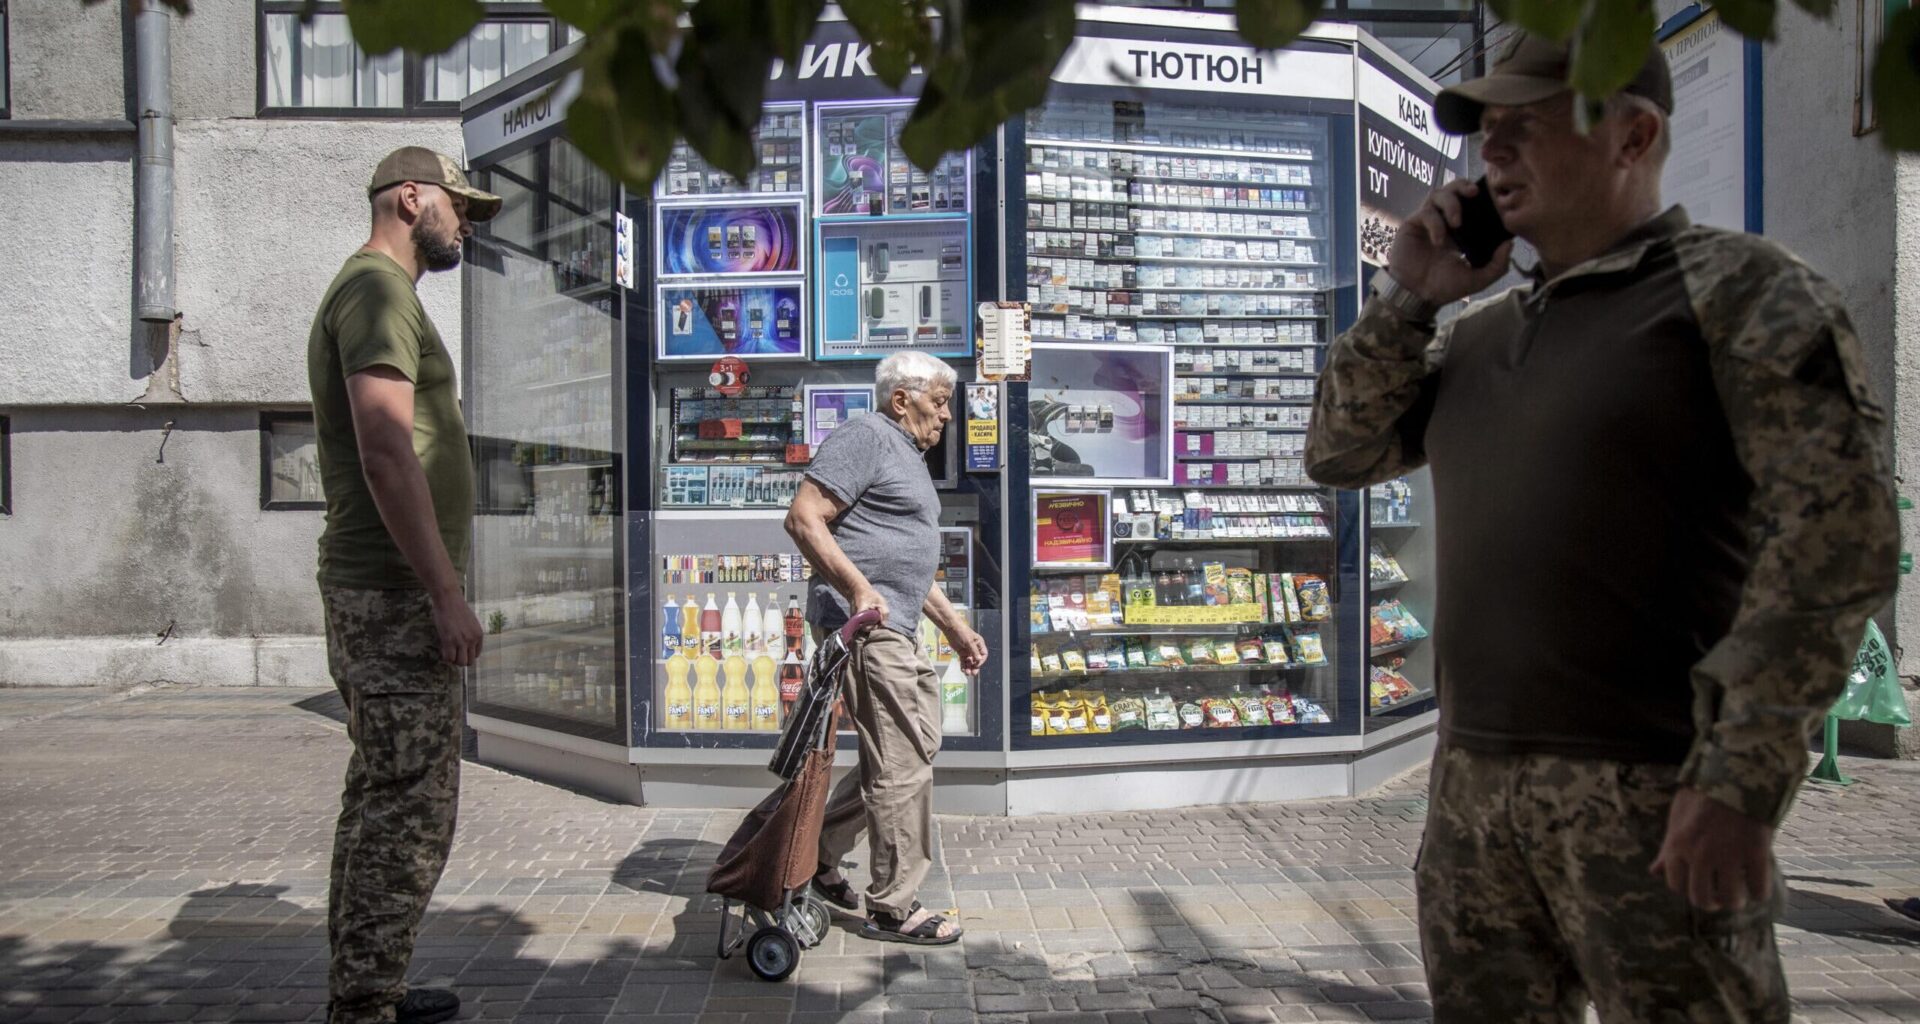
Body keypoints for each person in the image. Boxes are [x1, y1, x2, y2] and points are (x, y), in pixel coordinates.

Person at [1306, 34, 1899, 1023]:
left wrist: (1742, 782)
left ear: (1633, 135)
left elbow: (1838, 547)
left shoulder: (1742, 293)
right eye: (1487, 136)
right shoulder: (1476, 335)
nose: (1492, 155)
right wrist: (1408, 296)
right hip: (1471, 801)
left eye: (1525, 129)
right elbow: (1339, 451)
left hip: (1656, 798)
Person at [308, 147, 501, 1024]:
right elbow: (387, 448)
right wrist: (443, 592)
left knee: (382, 794)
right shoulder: (378, 291)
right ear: (411, 197)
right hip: (392, 597)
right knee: (412, 809)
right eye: (459, 207)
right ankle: (365, 1007)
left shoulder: (381, 294)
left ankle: (365, 988)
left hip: (386, 591)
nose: (463, 225)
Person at [783, 350, 988, 945]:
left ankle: (818, 857)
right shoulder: (865, 436)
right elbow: (803, 518)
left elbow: (902, 561)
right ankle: (893, 906)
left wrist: (953, 625)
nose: (947, 415)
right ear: (902, 399)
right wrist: (857, 588)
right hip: (869, 627)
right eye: (941, 401)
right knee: (903, 765)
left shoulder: (907, 455)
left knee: (903, 756)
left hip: (896, 622)